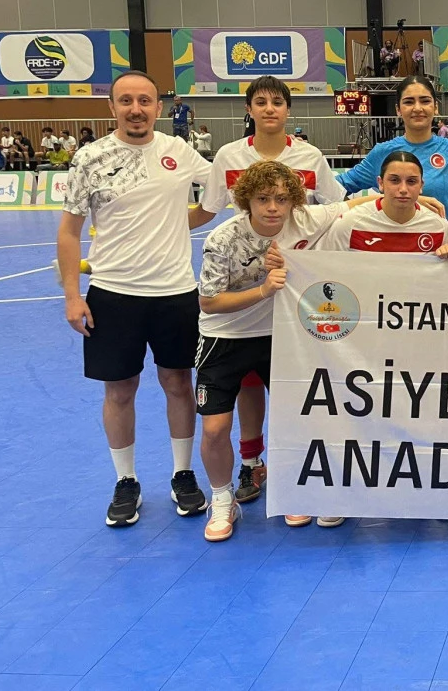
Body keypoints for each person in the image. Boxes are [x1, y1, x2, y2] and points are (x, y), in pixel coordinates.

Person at [56, 70, 212, 528]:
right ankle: (126, 481)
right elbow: (69, 231)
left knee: (179, 384)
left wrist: (174, 226)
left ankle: (183, 474)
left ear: (158, 108)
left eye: (144, 100)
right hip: (113, 293)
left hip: (175, 292)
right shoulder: (90, 158)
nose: (136, 109)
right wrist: (71, 295)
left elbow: (218, 196)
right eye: (126, 101)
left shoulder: (179, 152)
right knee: (119, 390)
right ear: (112, 108)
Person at [196, 160, 369, 541]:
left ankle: (296, 489)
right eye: (262, 199)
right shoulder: (223, 239)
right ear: (246, 201)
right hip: (225, 337)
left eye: (280, 198)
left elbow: (358, 204)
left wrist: (423, 197)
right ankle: (223, 500)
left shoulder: (307, 219)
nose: (272, 207)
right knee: (214, 428)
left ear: (293, 200)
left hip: (284, 335)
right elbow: (208, 302)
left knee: (300, 417)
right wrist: (262, 291)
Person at [194, 75, 345, 506]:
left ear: (288, 109)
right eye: (260, 102)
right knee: (246, 388)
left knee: (295, 398)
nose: (269, 109)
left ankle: (294, 477)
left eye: (277, 102)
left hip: (294, 302)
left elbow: (337, 210)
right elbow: (207, 211)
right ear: (249, 109)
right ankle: (250, 463)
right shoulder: (227, 158)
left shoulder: (311, 157)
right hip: (242, 306)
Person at [339, 76, 448, 216]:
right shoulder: (382, 152)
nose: (417, 108)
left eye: (425, 101)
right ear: (398, 110)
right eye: (409, 102)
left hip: (439, 236)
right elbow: (335, 187)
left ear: (435, 107)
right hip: (392, 236)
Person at [323, 151, 448, 253]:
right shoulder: (349, 224)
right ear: (380, 183)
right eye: (394, 180)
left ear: (421, 185)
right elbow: (327, 268)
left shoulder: (439, 227)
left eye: (411, 181)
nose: (403, 189)